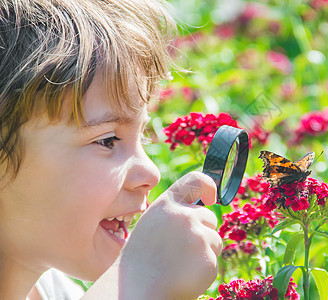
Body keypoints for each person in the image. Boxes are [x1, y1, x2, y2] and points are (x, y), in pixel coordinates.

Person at [0, 0, 222, 299]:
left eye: (142, 136)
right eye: (107, 140)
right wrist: (138, 279)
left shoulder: (56, 292)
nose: (152, 172)